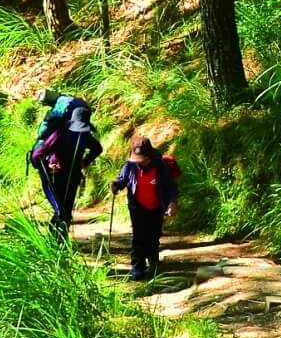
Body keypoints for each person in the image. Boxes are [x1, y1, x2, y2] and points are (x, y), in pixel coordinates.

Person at [30, 89, 102, 242]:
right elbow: (36, 155)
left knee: (65, 212)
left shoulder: (82, 134)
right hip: (54, 177)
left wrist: (83, 163)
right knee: (61, 211)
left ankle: (59, 244)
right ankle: (56, 242)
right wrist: (46, 169)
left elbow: (97, 148)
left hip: (71, 175)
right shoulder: (60, 134)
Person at [111, 136, 181, 281]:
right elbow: (122, 180)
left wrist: (172, 202)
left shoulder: (160, 166)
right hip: (137, 207)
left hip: (157, 207)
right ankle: (138, 267)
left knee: (154, 235)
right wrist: (116, 185)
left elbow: (170, 186)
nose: (140, 162)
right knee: (139, 237)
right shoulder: (129, 166)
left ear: (150, 155)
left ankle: (153, 260)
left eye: (142, 158)